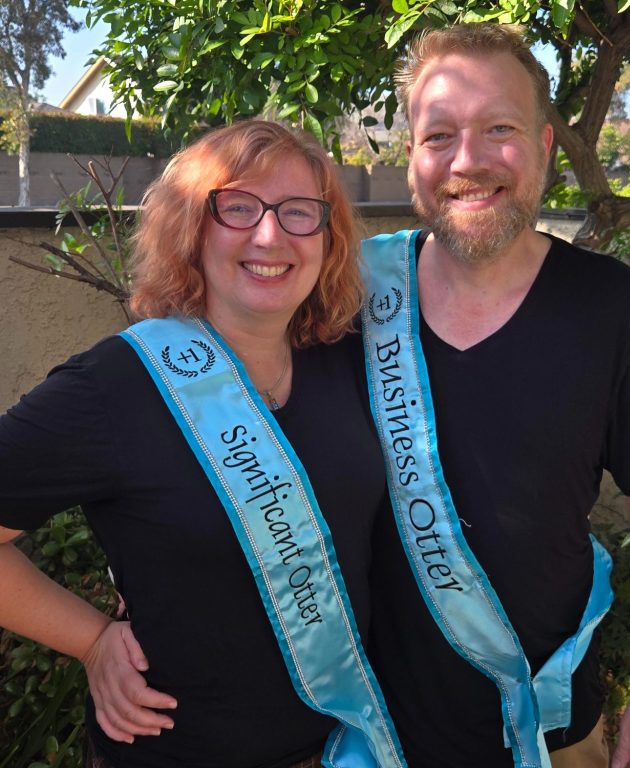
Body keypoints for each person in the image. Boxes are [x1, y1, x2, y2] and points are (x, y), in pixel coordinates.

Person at [0, 120, 406, 768]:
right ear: (192, 229)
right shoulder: (115, 385)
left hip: (344, 747)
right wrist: (92, 641)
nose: (269, 235)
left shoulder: (344, 359)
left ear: (327, 238)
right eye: (238, 207)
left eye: (299, 211)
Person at [359, 23, 630, 768]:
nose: (467, 160)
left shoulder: (605, 303)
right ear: (412, 157)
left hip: (553, 717)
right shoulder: (354, 297)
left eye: (499, 129)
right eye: (439, 135)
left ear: (544, 145)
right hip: (378, 727)